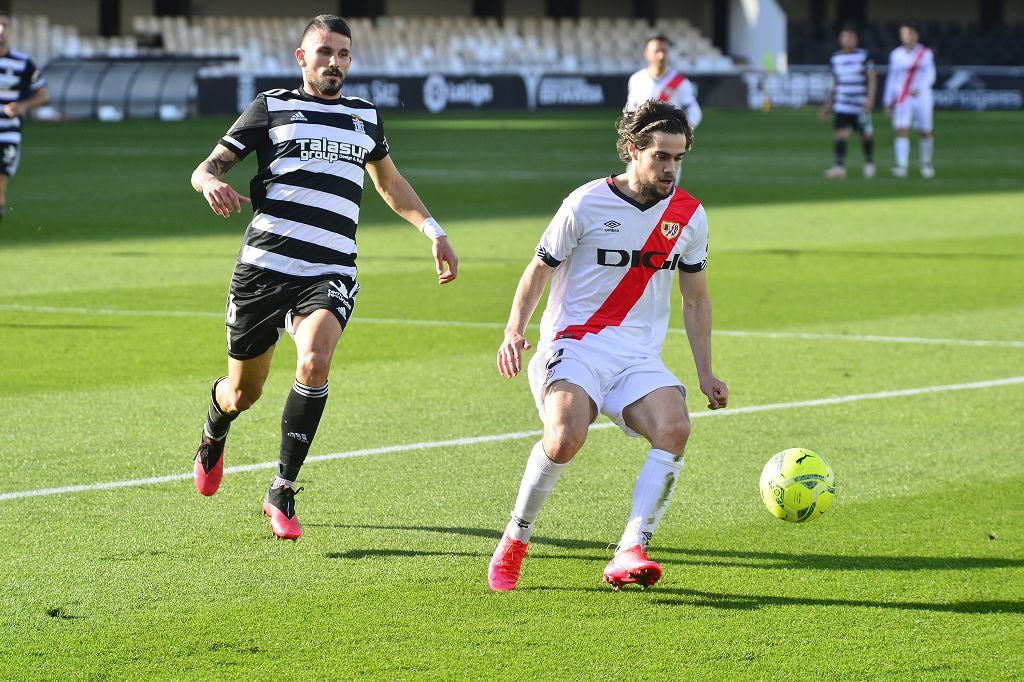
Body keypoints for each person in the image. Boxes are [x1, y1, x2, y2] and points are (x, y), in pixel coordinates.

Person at [189, 15, 458, 541]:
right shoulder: (271, 106)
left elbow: (390, 182)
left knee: (315, 359)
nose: (334, 62)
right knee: (244, 393)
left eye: (343, 54)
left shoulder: (364, 117)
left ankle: (282, 487)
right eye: (324, 52)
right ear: (302, 58)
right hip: (264, 269)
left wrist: (433, 230)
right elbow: (207, 167)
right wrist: (207, 185)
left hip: (330, 268)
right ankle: (214, 426)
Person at [489, 100, 728, 592]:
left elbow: (696, 299)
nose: (670, 168)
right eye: (661, 156)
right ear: (631, 150)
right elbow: (539, 271)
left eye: (679, 158)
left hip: (636, 356)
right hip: (574, 343)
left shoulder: (688, 215)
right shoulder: (585, 203)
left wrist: (705, 372)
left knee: (676, 427)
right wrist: (514, 330)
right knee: (564, 436)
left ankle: (631, 548)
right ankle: (516, 537)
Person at [0, 14, 49, 222]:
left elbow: (43, 94)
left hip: (8, 132)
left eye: (4, 25)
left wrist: (23, 105)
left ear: (10, 30)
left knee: (0, 180)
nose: (0, 30)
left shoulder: (23, 62)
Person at [819, 25, 876, 179]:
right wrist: (828, 105)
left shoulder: (864, 56)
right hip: (842, 104)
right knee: (840, 135)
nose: (847, 40)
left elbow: (871, 78)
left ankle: (869, 163)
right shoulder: (835, 58)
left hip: (860, 104)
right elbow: (835, 83)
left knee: (865, 135)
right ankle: (839, 167)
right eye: (844, 37)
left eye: (850, 37)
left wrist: (870, 99)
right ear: (840, 39)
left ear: (856, 39)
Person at [883, 22, 936, 178]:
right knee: (901, 129)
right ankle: (901, 166)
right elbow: (892, 78)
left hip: (922, 97)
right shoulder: (896, 55)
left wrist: (919, 88)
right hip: (903, 98)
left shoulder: (925, 53)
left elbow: (930, 75)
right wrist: (887, 100)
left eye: (908, 34)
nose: (905, 37)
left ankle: (926, 163)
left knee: (924, 131)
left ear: (916, 35)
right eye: (903, 34)